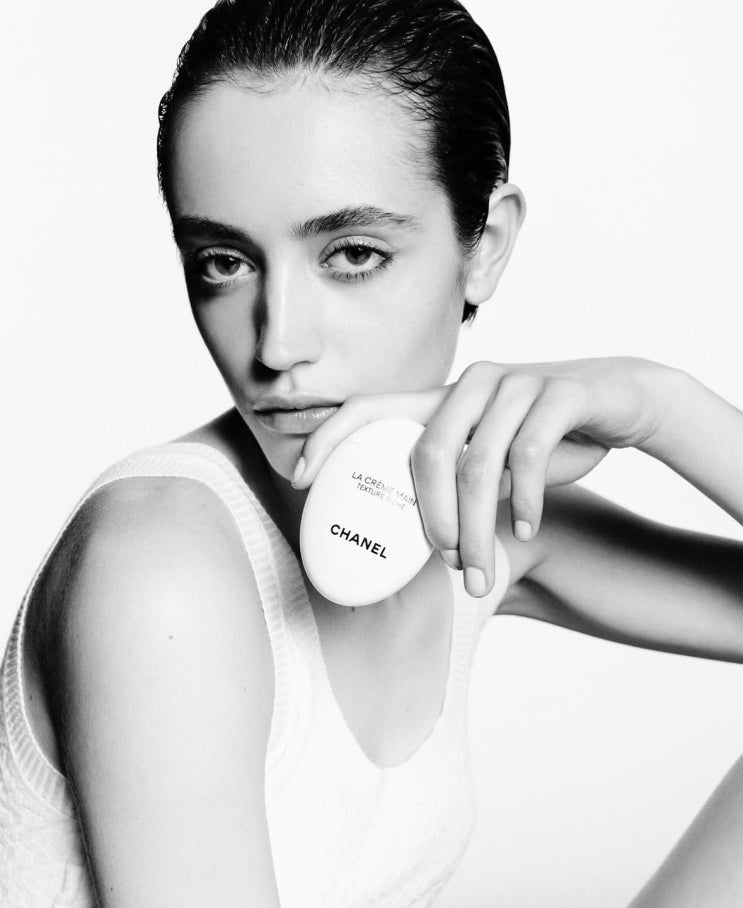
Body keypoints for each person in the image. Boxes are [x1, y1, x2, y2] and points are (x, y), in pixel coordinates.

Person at [1, 0, 742, 905]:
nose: (277, 345)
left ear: (485, 246)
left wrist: (660, 407)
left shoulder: (466, 509)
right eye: (224, 261)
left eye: (350, 254)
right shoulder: (160, 565)